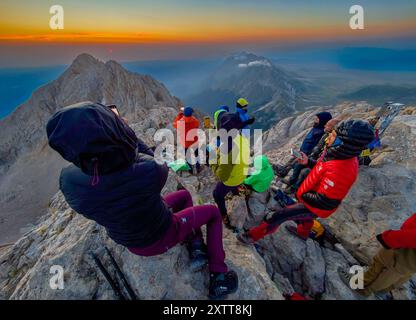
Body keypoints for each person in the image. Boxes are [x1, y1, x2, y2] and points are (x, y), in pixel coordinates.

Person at [46, 102, 238, 300]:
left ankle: (196, 244)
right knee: (213, 213)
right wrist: (127, 136)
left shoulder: (69, 181)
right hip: (161, 235)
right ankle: (219, 276)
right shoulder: (147, 170)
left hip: (128, 240)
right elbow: (155, 161)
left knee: (183, 196)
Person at [237, 120, 375, 244]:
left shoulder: (342, 169)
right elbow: (323, 169)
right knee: (305, 219)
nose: (328, 138)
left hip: (313, 206)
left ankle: (251, 236)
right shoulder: (339, 156)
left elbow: (325, 201)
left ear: (343, 143)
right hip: (310, 200)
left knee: (277, 216)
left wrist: (301, 195)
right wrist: (308, 162)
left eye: (333, 136)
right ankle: (303, 234)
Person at [338, 213, 416, 297]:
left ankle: (361, 288)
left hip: (406, 248)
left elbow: (412, 236)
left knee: (382, 264)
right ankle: (381, 290)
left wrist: (388, 238)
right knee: (402, 272)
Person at [211, 109, 251, 229]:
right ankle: (236, 191)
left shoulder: (227, 150)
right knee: (234, 180)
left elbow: (222, 176)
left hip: (232, 179)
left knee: (217, 194)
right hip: (242, 174)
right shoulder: (242, 139)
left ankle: (224, 216)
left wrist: (213, 161)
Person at [287, 117, 342, 192]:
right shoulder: (326, 136)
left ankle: (295, 188)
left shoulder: (336, 144)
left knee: (305, 172)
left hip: (322, 165)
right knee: (298, 165)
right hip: (316, 161)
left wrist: (311, 160)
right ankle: (291, 182)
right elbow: (318, 148)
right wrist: (310, 157)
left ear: (333, 129)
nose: (325, 126)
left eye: (328, 125)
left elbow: (327, 161)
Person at [173, 106, 201, 173]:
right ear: (191, 114)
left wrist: (179, 116)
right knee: (197, 155)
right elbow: (197, 125)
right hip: (194, 142)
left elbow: (174, 124)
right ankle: (198, 168)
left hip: (185, 144)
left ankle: (190, 170)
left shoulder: (180, 122)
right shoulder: (195, 121)